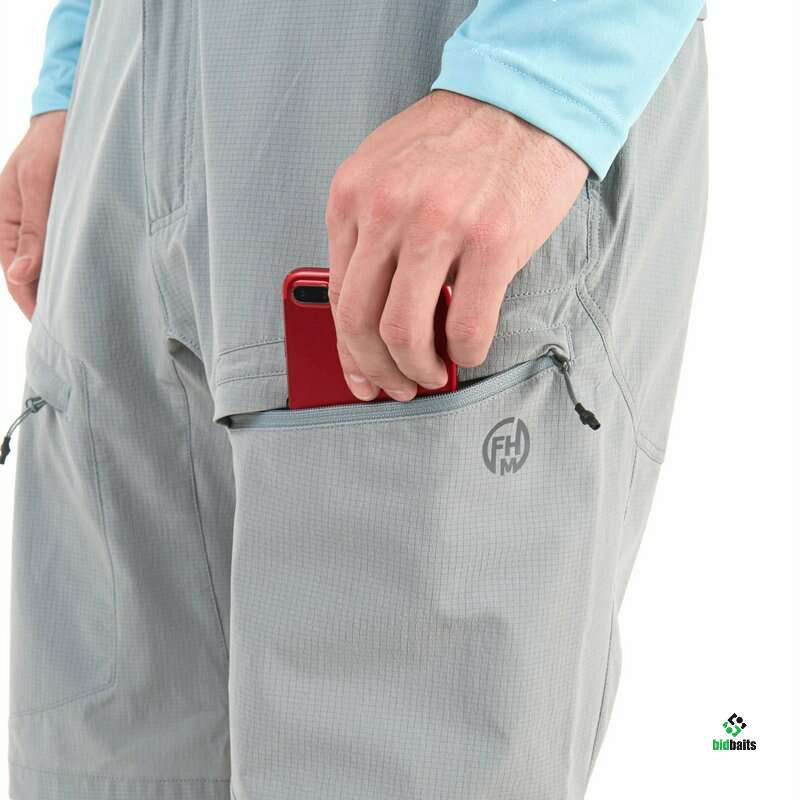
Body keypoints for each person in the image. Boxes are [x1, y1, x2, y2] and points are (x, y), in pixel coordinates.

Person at [0, 2, 708, 798]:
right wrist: (70, 69)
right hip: (120, 88)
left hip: (430, 77)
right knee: (102, 767)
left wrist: (541, 76)